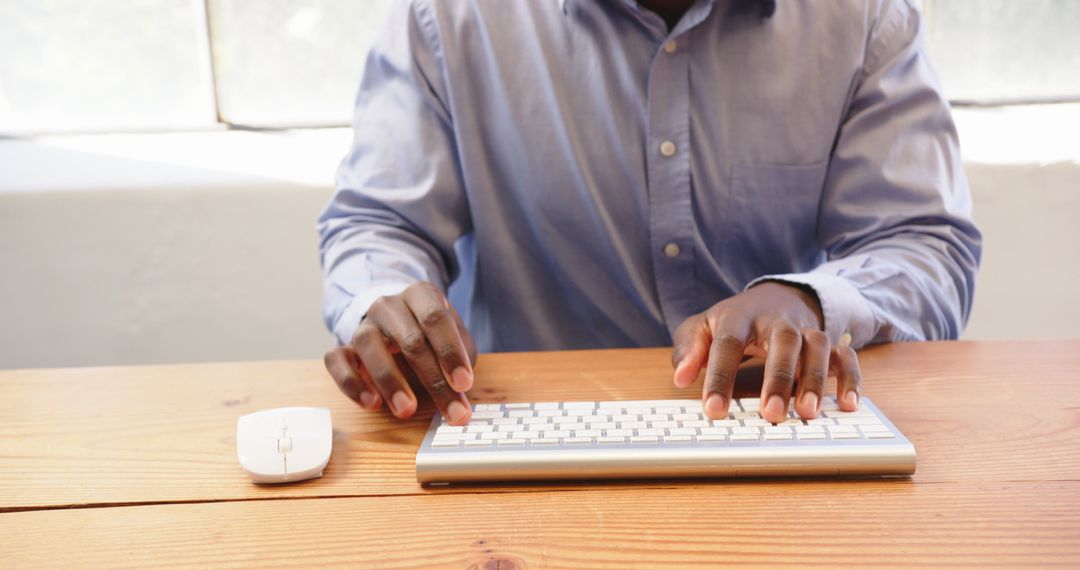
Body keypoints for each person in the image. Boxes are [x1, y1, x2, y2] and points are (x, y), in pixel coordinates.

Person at [318, 0, 981, 428]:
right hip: (512, 429)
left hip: (777, 424)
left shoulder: (862, 18)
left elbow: (923, 242)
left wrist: (808, 300)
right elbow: (381, 222)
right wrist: (381, 300)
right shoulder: (448, 17)